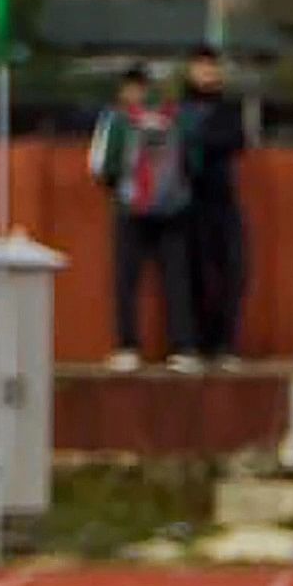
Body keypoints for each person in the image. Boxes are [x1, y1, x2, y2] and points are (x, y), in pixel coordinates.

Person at [89, 67, 196, 373]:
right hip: (173, 209)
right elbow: (193, 161)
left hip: (130, 208)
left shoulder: (117, 120)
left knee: (126, 280)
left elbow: (102, 167)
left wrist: (122, 191)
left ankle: (128, 347)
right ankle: (183, 347)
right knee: (176, 279)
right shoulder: (174, 118)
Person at [176, 49, 249, 364]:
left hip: (222, 199)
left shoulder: (228, 109)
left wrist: (201, 139)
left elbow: (237, 140)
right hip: (185, 201)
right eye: (201, 67)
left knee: (232, 271)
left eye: (212, 67)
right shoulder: (179, 108)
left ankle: (224, 344)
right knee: (192, 273)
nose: (208, 73)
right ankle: (192, 344)